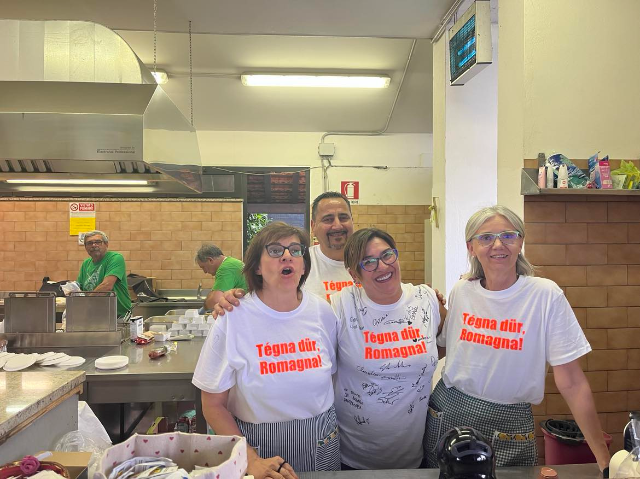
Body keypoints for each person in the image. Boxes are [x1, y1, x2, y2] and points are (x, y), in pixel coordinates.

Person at [424, 205, 610, 473]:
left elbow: (572, 381)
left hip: (510, 422)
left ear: (520, 241)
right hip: (448, 411)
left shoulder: (545, 295)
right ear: (471, 247)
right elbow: (443, 348)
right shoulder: (462, 291)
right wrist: (428, 310)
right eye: (485, 237)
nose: (498, 244)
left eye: (508, 235)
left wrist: (604, 460)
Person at [192, 222, 340, 479]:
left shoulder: (322, 312)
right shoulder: (233, 316)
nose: (287, 256)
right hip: (255, 446)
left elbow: (333, 377)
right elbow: (212, 404)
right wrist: (250, 459)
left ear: (303, 265)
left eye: (296, 250)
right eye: (274, 250)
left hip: (322, 441)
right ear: (257, 267)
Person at [330, 228, 446, 470]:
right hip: (351, 459)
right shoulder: (340, 304)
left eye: (387, 255)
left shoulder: (426, 300)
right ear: (354, 274)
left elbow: (441, 346)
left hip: (413, 457)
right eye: (369, 262)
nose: (382, 266)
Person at [215, 191, 355, 310]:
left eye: (343, 218)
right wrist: (234, 301)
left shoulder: (371, 263)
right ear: (313, 226)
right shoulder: (300, 262)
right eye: (328, 219)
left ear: (352, 221)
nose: (337, 225)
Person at [77, 230, 131, 317]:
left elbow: (107, 286)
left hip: (117, 317)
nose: (94, 245)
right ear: (85, 247)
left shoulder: (115, 258)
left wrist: (86, 303)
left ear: (106, 244)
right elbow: (79, 288)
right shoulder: (86, 263)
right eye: (90, 243)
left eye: (98, 242)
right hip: (95, 316)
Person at [195, 243, 247, 311]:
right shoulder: (231, 262)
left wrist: (204, 308)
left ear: (210, 260)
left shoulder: (225, 268)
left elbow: (215, 300)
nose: (205, 271)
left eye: (203, 267)